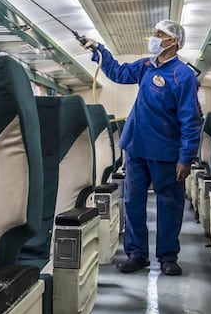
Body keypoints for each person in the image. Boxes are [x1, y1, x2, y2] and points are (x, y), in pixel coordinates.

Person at [83, 20, 201, 275]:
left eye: (160, 35)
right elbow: (118, 72)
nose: (154, 38)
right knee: (133, 203)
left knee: (169, 205)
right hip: (135, 147)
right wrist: (99, 50)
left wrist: (186, 157)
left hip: (166, 152)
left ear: (174, 42)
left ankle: (168, 256)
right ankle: (137, 254)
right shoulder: (146, 66)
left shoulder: (184, 75)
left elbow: (190, 119)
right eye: (155, 33)